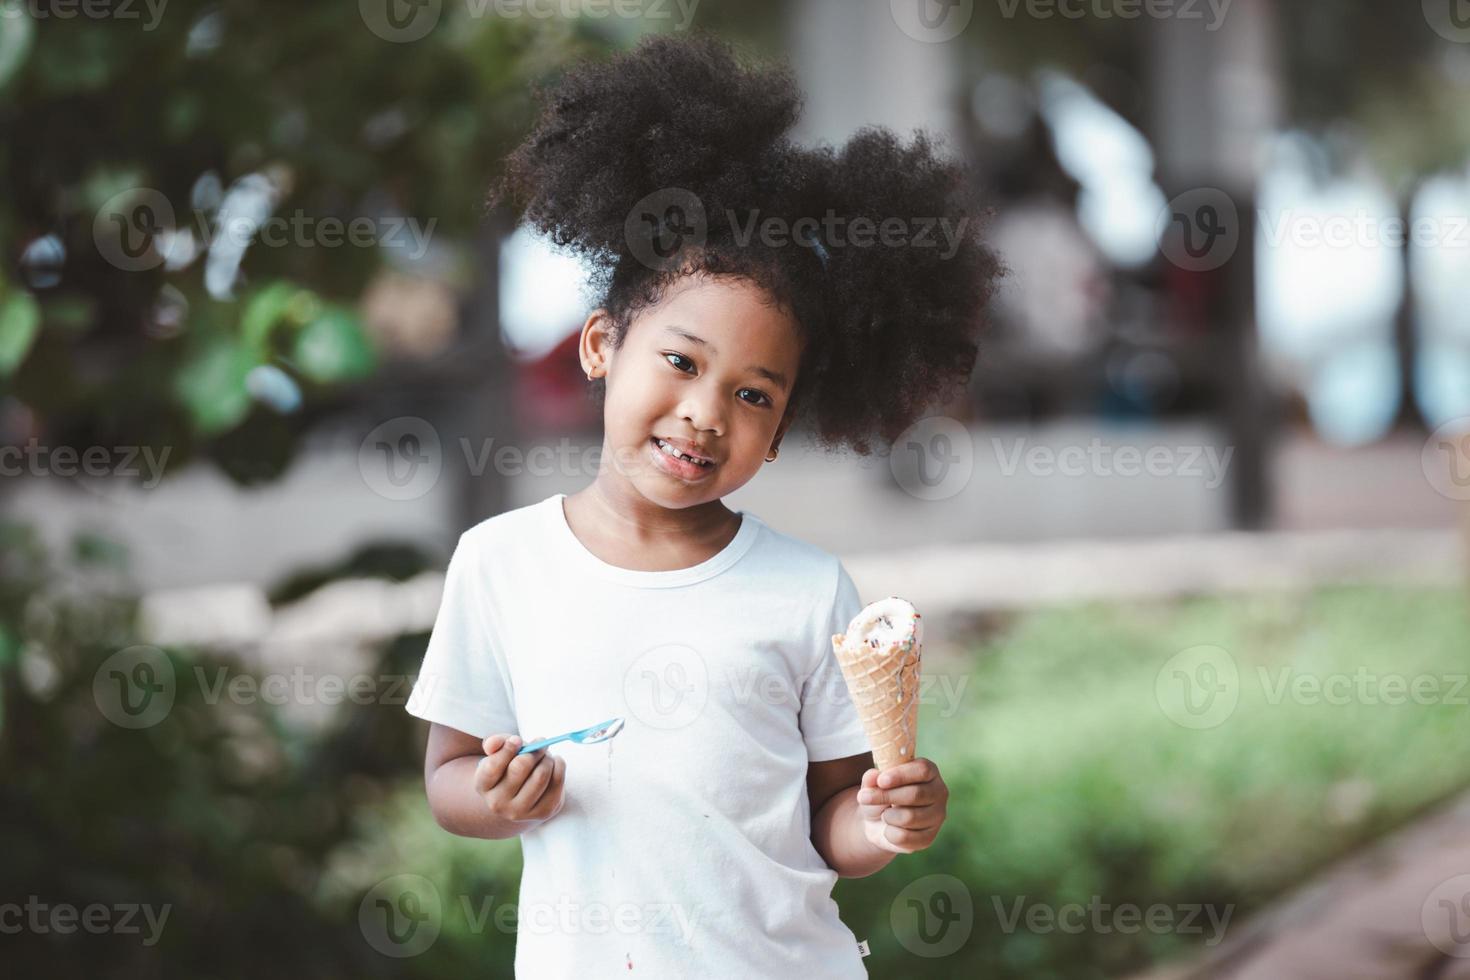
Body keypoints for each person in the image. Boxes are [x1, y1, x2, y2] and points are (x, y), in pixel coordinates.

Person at [405, 32, 998, 978]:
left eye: (754, 394)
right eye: (680, 362)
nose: (704, 414)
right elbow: (447, 781)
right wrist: (499, 794)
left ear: (784, 422)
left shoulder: (808, 593)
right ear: (601, 345)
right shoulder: (499, 562)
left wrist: (887, 822)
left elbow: (833, 821)